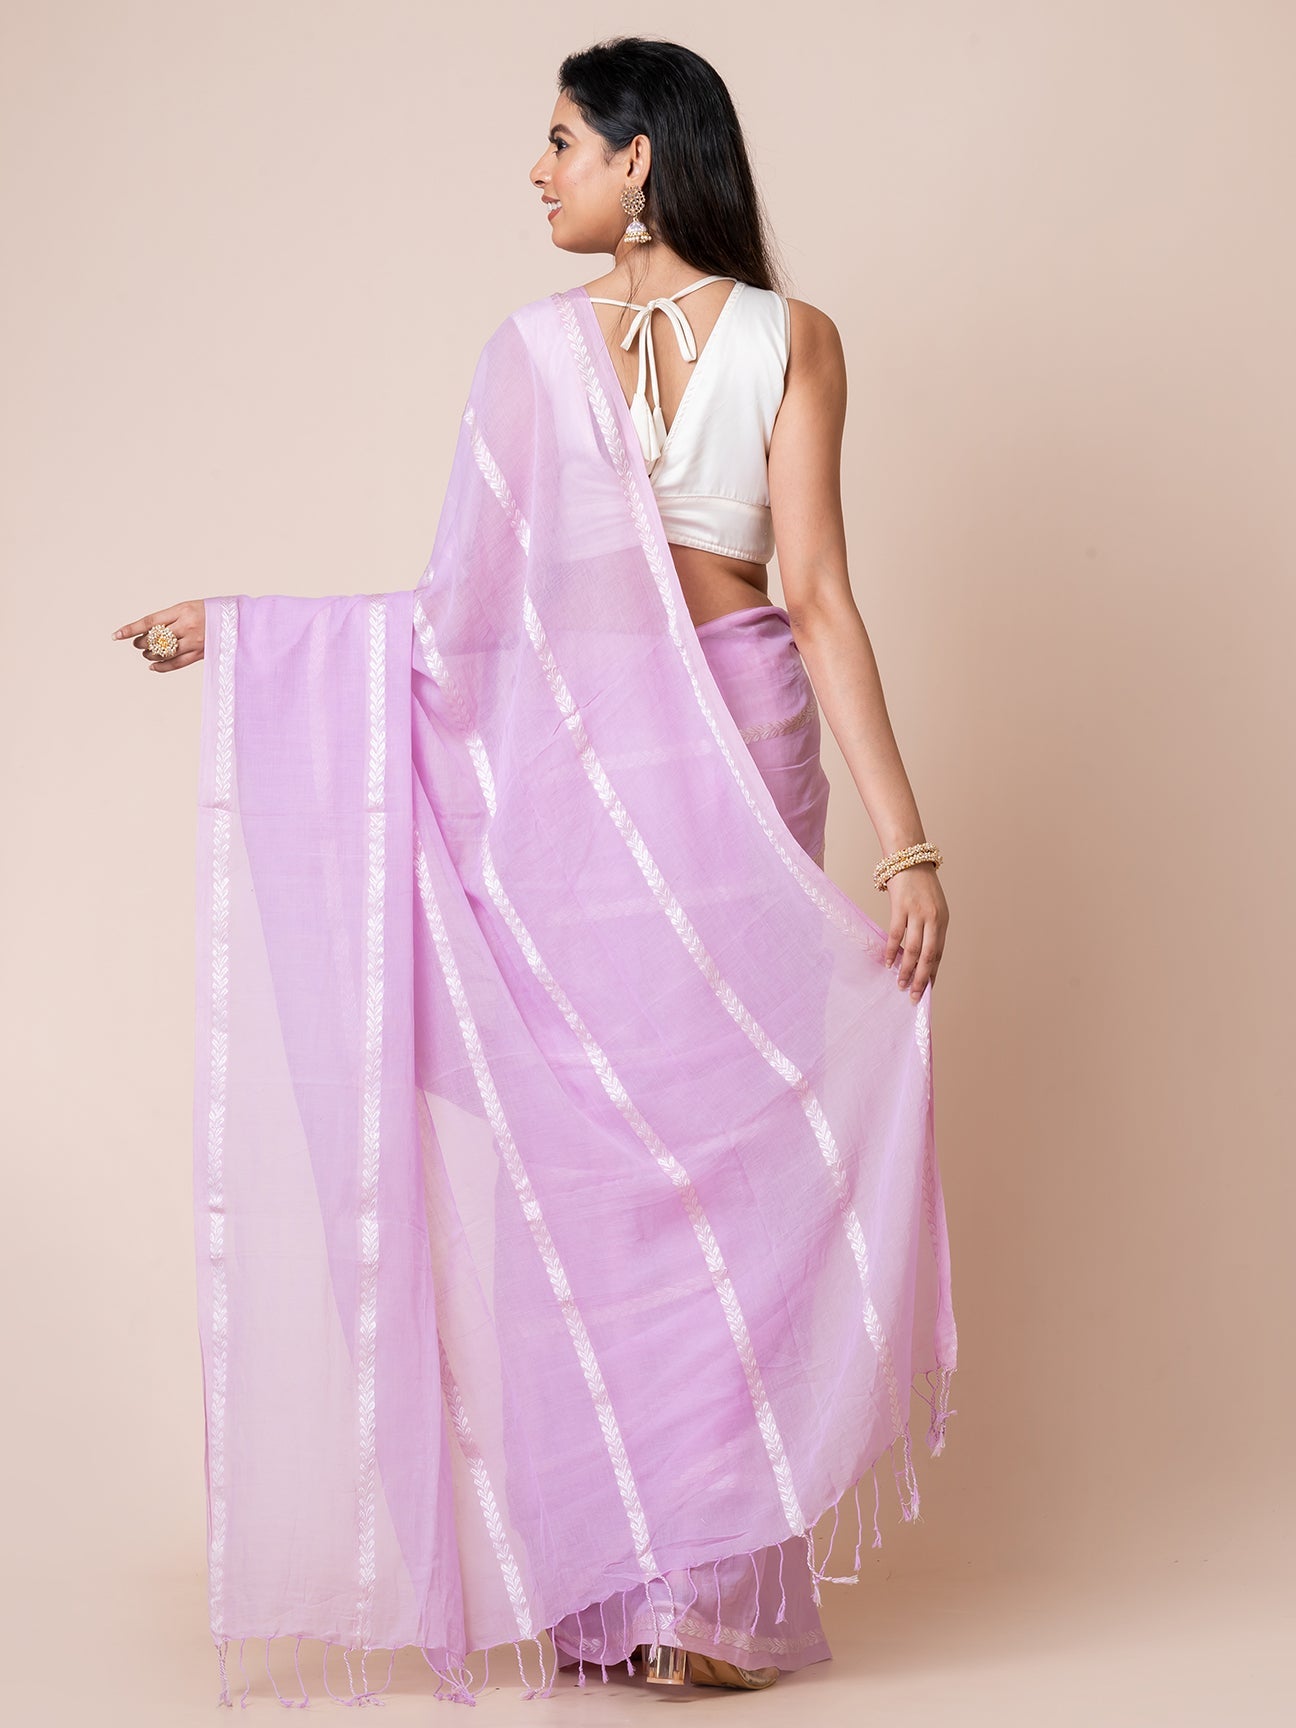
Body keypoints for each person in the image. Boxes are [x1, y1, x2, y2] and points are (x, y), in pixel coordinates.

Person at [112, 35, 955, 1705]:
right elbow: (466, 621)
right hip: (581, 778)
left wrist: (908, 842)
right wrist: (249, 631)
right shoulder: (534, 355)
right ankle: (614, 1581)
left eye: (563, 140)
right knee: (593, 1164)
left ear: (642, 159)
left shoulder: (789, 339)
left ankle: (711, 1597)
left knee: (721, 1147)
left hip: (733, 754)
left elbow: (818, 594)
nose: (538, 169)